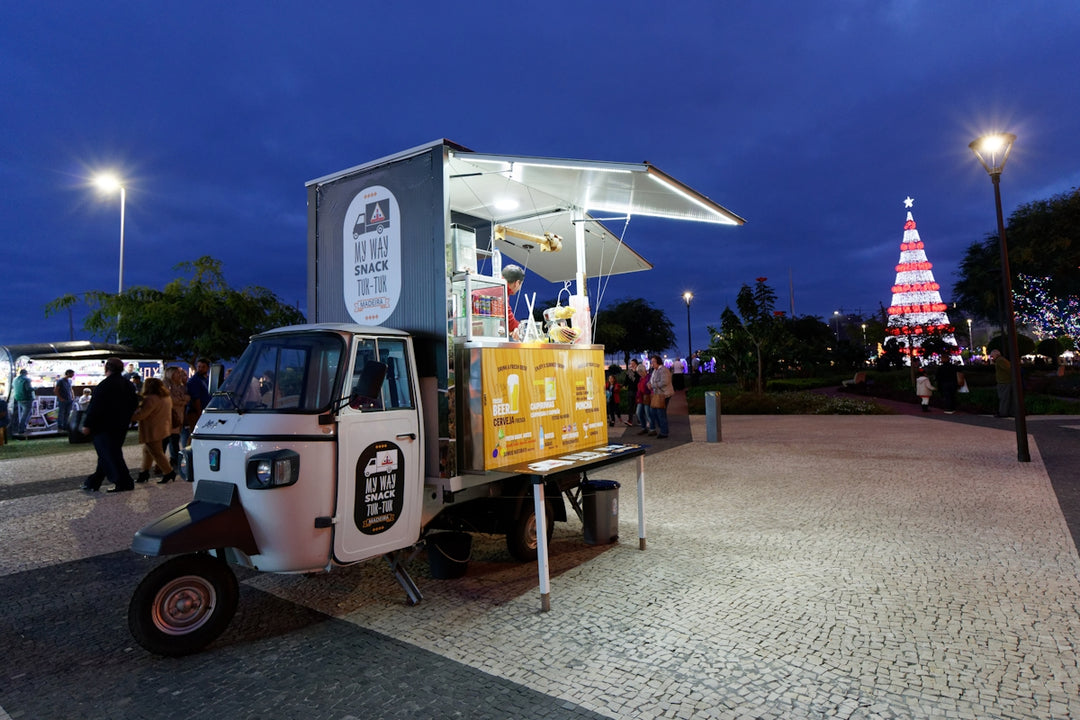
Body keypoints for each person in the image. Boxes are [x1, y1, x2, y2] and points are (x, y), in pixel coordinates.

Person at [80, 357, 139, 492]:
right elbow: (134, 403)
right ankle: (93, 482)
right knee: (108, 453)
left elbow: (95, 407)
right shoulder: (128, 384)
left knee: (109, 454)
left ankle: (124, 481)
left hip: (103, 426)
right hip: (121, 425)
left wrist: (87, 424)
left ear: (107, 368)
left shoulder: (104, 385)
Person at [131, 377, 176, 484]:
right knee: (148, 450)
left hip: (152, 429)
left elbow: (142, 415)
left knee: (156, 452)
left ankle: (168, 472)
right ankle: (144, 472)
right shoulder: (166, 397)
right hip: (163, 426)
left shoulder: (150, 399)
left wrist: (129, 416)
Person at [181, 359, 212, 480]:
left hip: (205, 411)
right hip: (196, 413)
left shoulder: (205, 379)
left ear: (207, 368)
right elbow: (196, 399)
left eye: (203, 367)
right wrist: (200, 413)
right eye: (199, 366)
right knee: (193, 435)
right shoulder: (194, 381)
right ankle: (188, 458)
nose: (200, 369)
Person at [163, 367, 190, 475]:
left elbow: (187, 397)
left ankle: (172, 461)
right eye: (177, 373)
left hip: (179, 416)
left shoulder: (180, 385)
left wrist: (181, 400)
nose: (179, 375)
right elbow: (170, 399)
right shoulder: (165, 385)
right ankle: (169, 462)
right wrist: (182, 400)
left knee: (174, 438)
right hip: (169, 416)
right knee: (169, 440)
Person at [647, 355, 673, 438]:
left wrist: (653, 385)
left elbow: (664, 382)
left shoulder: (663, 370)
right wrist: (649, 384)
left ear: (658, 361)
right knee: (653, 412)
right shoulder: (655, 370)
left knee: (660, 413)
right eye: (651, 362)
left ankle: (664, 432)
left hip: (664, 394)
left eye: (653, 362)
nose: (652, 364)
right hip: (657, 394)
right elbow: (651, 380)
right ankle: (661, 429)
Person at [501, 264, 526, 340]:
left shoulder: (498, 286)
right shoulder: (501, 290)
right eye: (521, 284)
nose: (519, 288)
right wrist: (520, 328)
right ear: (517, 283)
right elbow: (509, 320)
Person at [11, 368, 35, 438]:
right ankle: (21, 428)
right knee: (26, 414)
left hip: (18, 398)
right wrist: (35, 388)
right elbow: (28, 389)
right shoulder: (27, 380)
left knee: (24, 413)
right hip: (27, 398)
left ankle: (22, 427)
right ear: (26, 373)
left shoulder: (15, 379)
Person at [990, 349, 1013, 418]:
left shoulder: (1000, 360)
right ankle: (1006, 412)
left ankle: (1003, 412)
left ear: (996, 355)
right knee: (1005, 398)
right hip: (1004, 381)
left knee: (1004, 398)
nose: (991, 358)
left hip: (1004, 382)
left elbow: (1009, 369)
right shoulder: (1000, 360)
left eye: (992, 356)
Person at [635, 363, 654, 435]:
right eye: (639, 372)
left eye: (641, 372)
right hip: (641, 397)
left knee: (648, 413)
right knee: (639, 413)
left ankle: (652, 429)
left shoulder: (649, 377)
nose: (640, 373)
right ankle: (644, 427)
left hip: (647, 397)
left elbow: (649, 388)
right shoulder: (641, 378)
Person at [55, 369, 75, 433]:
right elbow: (56, 390)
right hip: (63, 399)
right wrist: (60, 398)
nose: (73, 375)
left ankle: (65, 425)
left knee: (67, 413)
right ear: (68, 373)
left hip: (69, 399)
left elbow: (70, 389)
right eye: (72, 374)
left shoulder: (69, 380)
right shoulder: (60, 381)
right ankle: (60, 425)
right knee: (61, 413)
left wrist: (72, 396)